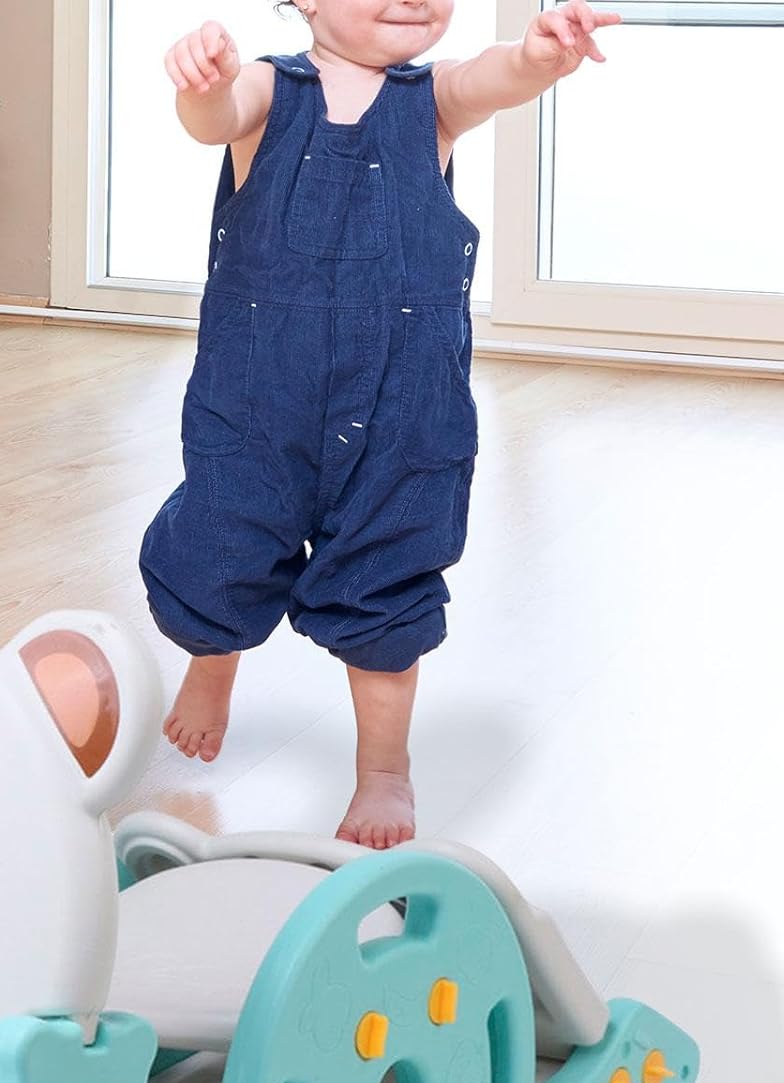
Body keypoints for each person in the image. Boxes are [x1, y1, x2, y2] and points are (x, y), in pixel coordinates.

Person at [140, 0, 619, 847]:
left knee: (387, 581)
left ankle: (384, 770)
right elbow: (214, 118)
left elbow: (492, 79)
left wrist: (538, 59)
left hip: (402, 411)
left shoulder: (432, 102)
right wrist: (203, 84)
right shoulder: (267, 90)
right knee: (223, 547)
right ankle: (212, 667)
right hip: (256, 403)